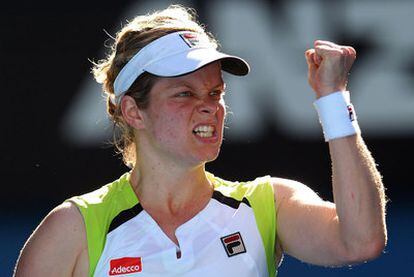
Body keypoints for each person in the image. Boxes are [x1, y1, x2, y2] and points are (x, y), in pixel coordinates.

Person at [14, 5, 387, 277]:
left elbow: (360, 241)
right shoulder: (73, 228)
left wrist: (334, 99)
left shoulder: (265, 204)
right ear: (133, 111)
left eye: (215, 93)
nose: (210, 107)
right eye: (184, 94)